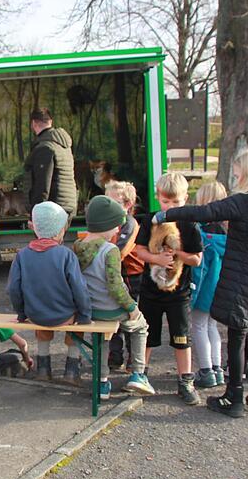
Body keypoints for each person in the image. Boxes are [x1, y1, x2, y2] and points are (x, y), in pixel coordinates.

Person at [155, 148, 248, 418]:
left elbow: (207, 211)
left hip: (244, 274)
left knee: (236, 336)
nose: (235, 174)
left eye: (238, 170)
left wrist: (166, 215)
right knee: (244, 328)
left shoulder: (245, 201)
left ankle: (234, 396)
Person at [73, 195, 154, 400]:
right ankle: (137, 373)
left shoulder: (78, 246)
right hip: (112, 310)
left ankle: (101, 384)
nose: (118, 230)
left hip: (91, 310)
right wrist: (131, 307)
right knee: (140, 326)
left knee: (100, 341)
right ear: (106, 225)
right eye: (116, 226)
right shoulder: (110, 250)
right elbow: (115, 286)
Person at [132, 172, 203, 405]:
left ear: (185, 199)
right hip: (151, 292)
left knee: (182, 337)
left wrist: (178, 255)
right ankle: (141, 374)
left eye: (176, 202)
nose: (170, 206)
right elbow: (138, 250)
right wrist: (156, 259)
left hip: (179, 293)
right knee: (147, 335)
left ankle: (185, 381)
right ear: (157, 198)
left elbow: (197, 259)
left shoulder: (189, 223)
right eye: (166, 201)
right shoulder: (151, 219)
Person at [7, 201, 92, 385]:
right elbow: (79, 288)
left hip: (35, 316)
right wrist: (84, 315)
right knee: (76, 324)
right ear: (59, 230)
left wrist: (22, 314)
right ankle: (71, 370)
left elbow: (13, 288)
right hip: (65, 316)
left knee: (42, 315)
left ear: (36, 229)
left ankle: (43, 369)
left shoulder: (22, 255)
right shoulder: (66, 255)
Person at [189, 181, 229, 389]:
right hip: (220, 288)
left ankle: (205, 369)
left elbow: (199, 268)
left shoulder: (202, 234)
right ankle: (217, 367)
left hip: (204, 288)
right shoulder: (226, 233)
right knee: (213, 327)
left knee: (199, 326)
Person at [103, 180, 144, 372]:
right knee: (114, 318)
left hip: (131, 276)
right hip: (115, 275)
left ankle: (132, 360)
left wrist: (101, 259)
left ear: (127, 205)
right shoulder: (110, 222)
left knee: (130, 317)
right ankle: (115, 356)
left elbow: (121, 251)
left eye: (113, 202)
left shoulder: (130, 224)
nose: (108, 206)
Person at [24, 108, 78, 216]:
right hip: (67, 205)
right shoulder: (64, 146)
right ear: (51, 122)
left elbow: (42, 184)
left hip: (52, 210)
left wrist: (36, 214)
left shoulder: (45, 147)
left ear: (33, 123)